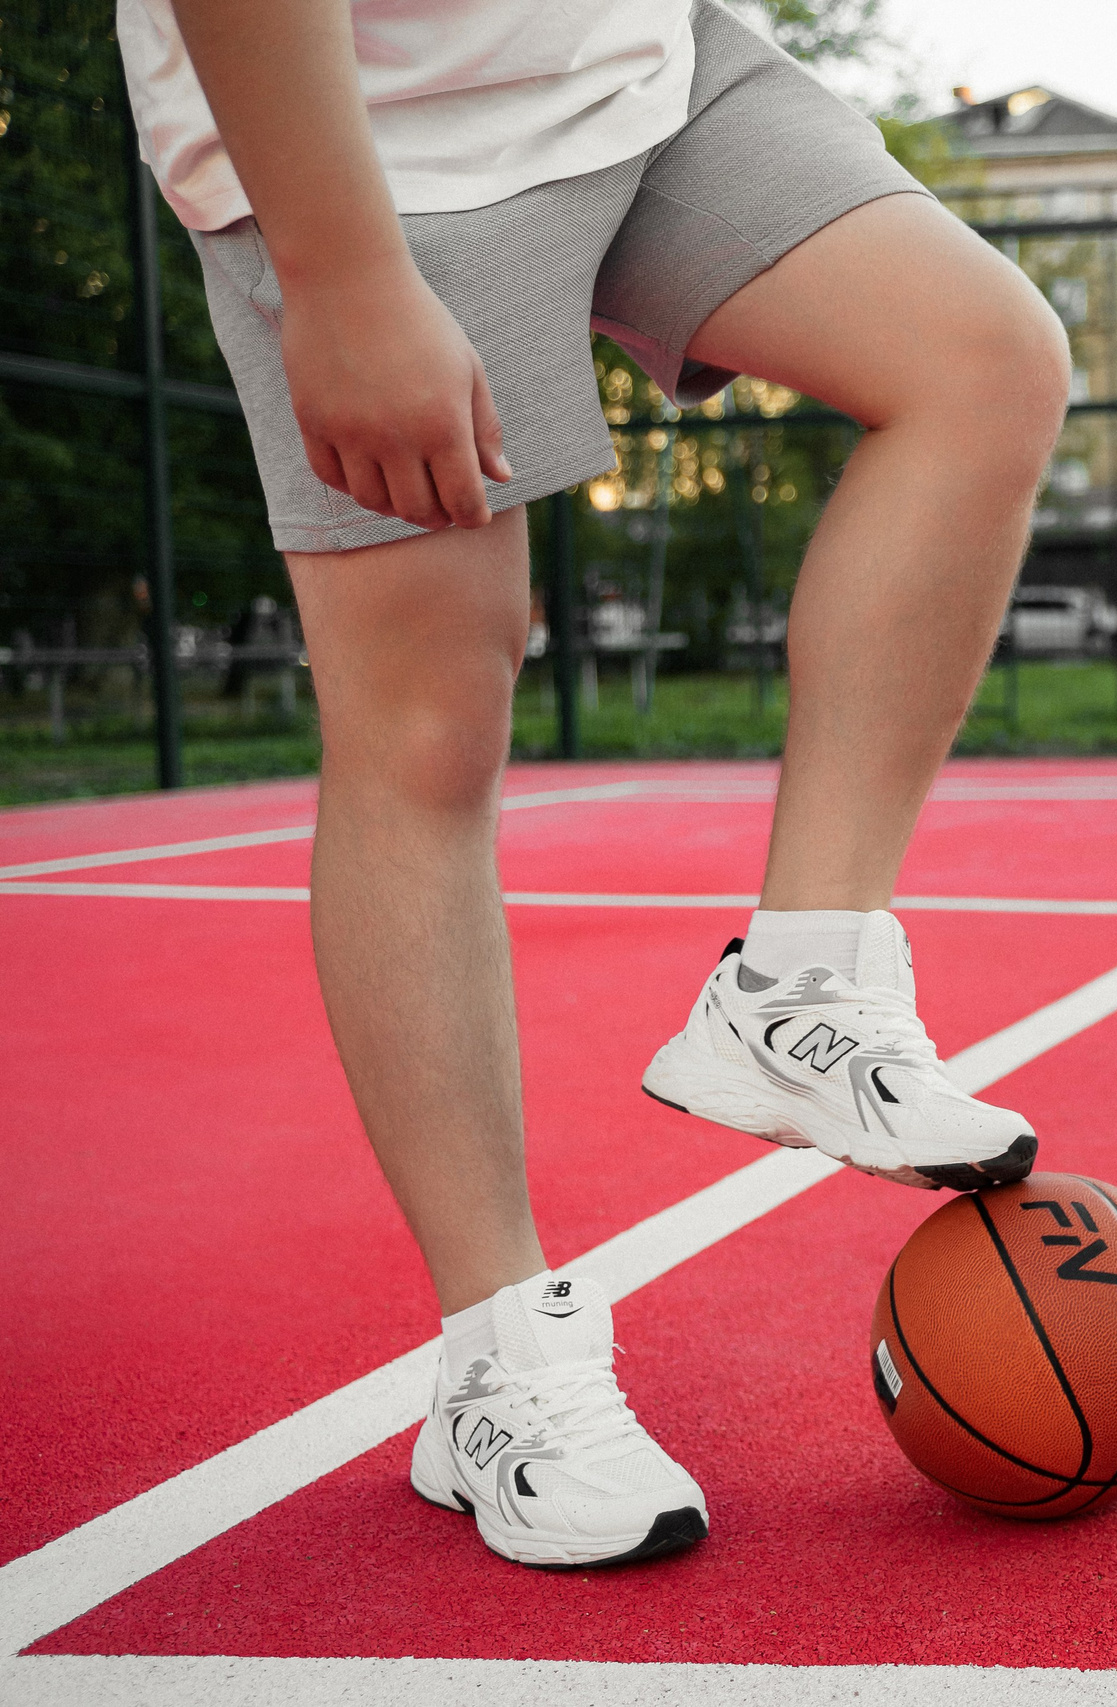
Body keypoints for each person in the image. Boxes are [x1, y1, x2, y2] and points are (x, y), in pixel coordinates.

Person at [122, 0, 1067, 1568]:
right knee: (428, 724)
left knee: (984, 360)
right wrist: (342, 275)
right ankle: (501, 1361)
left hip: (638, 58)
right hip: (373, 141)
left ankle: (800, 981)